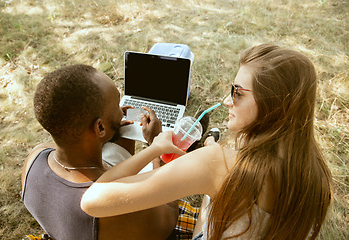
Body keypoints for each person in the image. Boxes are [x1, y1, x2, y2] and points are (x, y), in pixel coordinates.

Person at [81, 44, 333, 240]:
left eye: (238, 93)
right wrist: (211, 153)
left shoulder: (217, 164)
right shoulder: (317, 172)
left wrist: (156, 148)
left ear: (273, 105)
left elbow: (93, 201)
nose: (226, 101)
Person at [21, 64, 181, 240]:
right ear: (100, 127)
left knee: (121, 135)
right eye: (117, 104)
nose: (122, 110)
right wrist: (157, 148)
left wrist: (110, 129)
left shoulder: (35, 157)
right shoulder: (115, 205)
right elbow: (170, 215)